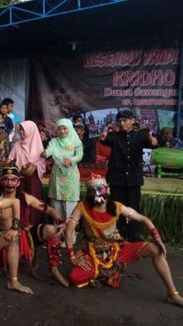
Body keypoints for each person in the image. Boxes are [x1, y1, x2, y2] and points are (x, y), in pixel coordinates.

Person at [66, 174, 183, 308]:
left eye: (101, 189)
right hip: (95, 254)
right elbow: (69, 231)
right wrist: (72, 257)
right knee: (74, 277)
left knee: (155, 249)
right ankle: (105, 273)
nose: (97, 193)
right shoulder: (82, 208)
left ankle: (173, 294)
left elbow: (144, 219)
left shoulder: (117, 206)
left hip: (117, 251)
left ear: (108, 189)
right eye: (93, 190)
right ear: (88, 193)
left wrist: (157, 238)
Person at [0, 164, 68, 288]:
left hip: (26, 236)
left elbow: (49, 210)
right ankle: (13, 281)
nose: (10, 183)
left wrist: (60, 221)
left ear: (18, 182)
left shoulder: (25, 198)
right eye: (6, 179)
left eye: (13, 180)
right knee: (13, 237)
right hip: (4, 239)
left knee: (52, 230)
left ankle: (53, 268)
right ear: (2, 181)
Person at [100, 110, 158, 241]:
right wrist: (102, 138)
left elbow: (153, 144)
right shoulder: (114, 136)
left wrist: (152, 140)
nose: (122, 123)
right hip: (117, 179)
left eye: (125, 120)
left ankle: (134, 235)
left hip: (133, 179)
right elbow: (104, 139)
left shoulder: (141, 135)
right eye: (119, 121)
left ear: (132, 120)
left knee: (133, 207)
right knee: (116, 207)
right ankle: (117, 234)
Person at [44, 118, 83, 222]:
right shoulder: (54, 141)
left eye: (65, 128)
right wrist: (45, 153)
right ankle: (57, 237)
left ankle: (70, 236)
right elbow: (49, 150)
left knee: (69, 213)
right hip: (56, 177)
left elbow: (80, 155)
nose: (62, 131)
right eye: (60, 129)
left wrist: (71, 160)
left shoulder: (75, 141)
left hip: (70, 178)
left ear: (69, 129)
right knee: (56, 213)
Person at [8, 120, 46, 225]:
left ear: (31, 131)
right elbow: (10, 160)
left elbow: (42, 164)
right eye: (21, 130)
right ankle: (20, 224)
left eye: (24, 131)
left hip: (33, 178)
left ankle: (34, 225)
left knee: (34, 200)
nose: (22, 133)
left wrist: (31, 165)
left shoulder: (38, 147)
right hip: (19, 178)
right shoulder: (17, 145)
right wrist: (18, 166)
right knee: (20, 201)